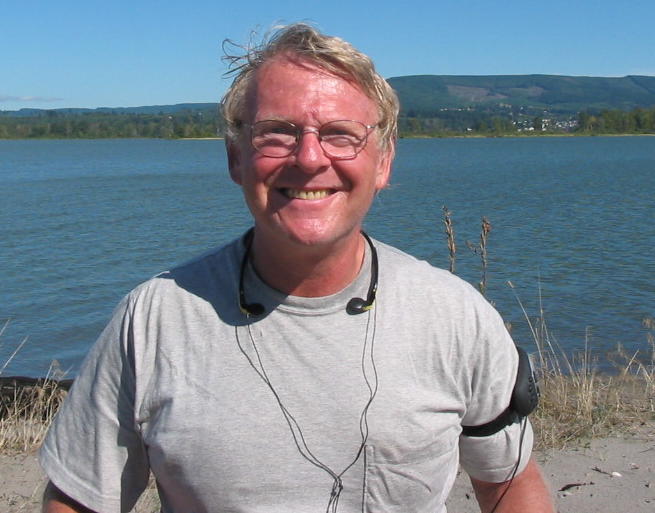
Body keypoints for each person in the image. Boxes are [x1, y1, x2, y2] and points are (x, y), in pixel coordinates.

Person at [40, 23, 554, 513]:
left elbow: (508, 482)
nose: (309, 158)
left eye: (341, 134)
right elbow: (80, 500)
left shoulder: (455, 315)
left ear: (383, 162)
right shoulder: (154, 319)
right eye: (277, 133)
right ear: (235, 158)